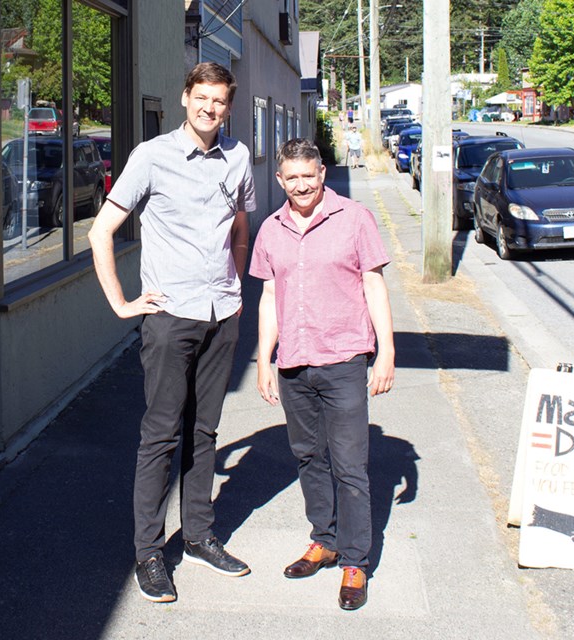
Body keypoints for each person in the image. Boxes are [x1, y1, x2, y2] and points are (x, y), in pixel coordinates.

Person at [87, 62, 255, 604]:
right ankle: (149, 553)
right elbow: (100, 231)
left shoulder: (239, 156)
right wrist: (121, 302)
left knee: (204, 432)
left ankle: (201, 534)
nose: (210, 108)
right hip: (169, 317)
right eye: (201, 97)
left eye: (220, 101)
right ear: (186, 98)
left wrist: (238, 289)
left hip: (221, 314)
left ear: (229, 107)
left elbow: (239, 225)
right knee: (160, 435)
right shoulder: (152, 156)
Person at [249, 138, 395, 611]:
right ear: (280, 180)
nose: (300, 185)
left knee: (351, 465)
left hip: (344, 358)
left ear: (322, 173)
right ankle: (324, 539)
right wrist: (264, 359)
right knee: (309, 457)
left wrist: (387, 351)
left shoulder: (353, 218)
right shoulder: (271, 229)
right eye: (291, 178)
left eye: (307, 176)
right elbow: (269, 296)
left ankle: (355, 560)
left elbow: (374, 283)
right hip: (294, 361)